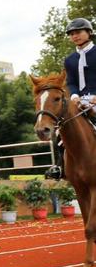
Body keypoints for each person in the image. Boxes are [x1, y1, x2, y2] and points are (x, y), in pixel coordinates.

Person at [45, 17, 95, 180]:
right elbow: (71, 82)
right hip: (78, 100)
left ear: (88, 32)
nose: (75, 36)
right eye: (72, 34)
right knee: (62, 129)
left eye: (78, 32)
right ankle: (60, 167)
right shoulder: (69, 60)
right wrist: (73, 95)